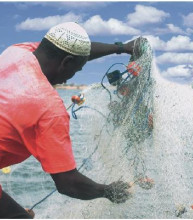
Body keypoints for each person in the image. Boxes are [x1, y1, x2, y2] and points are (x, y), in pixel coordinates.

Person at [0, 22, 135, 219]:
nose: (72, 76)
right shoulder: (48, 107)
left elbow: (71, 51)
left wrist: (122, 48)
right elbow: (67, 183)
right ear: (66, 63)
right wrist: (109, 191)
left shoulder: (17, 52)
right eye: (77, 70)